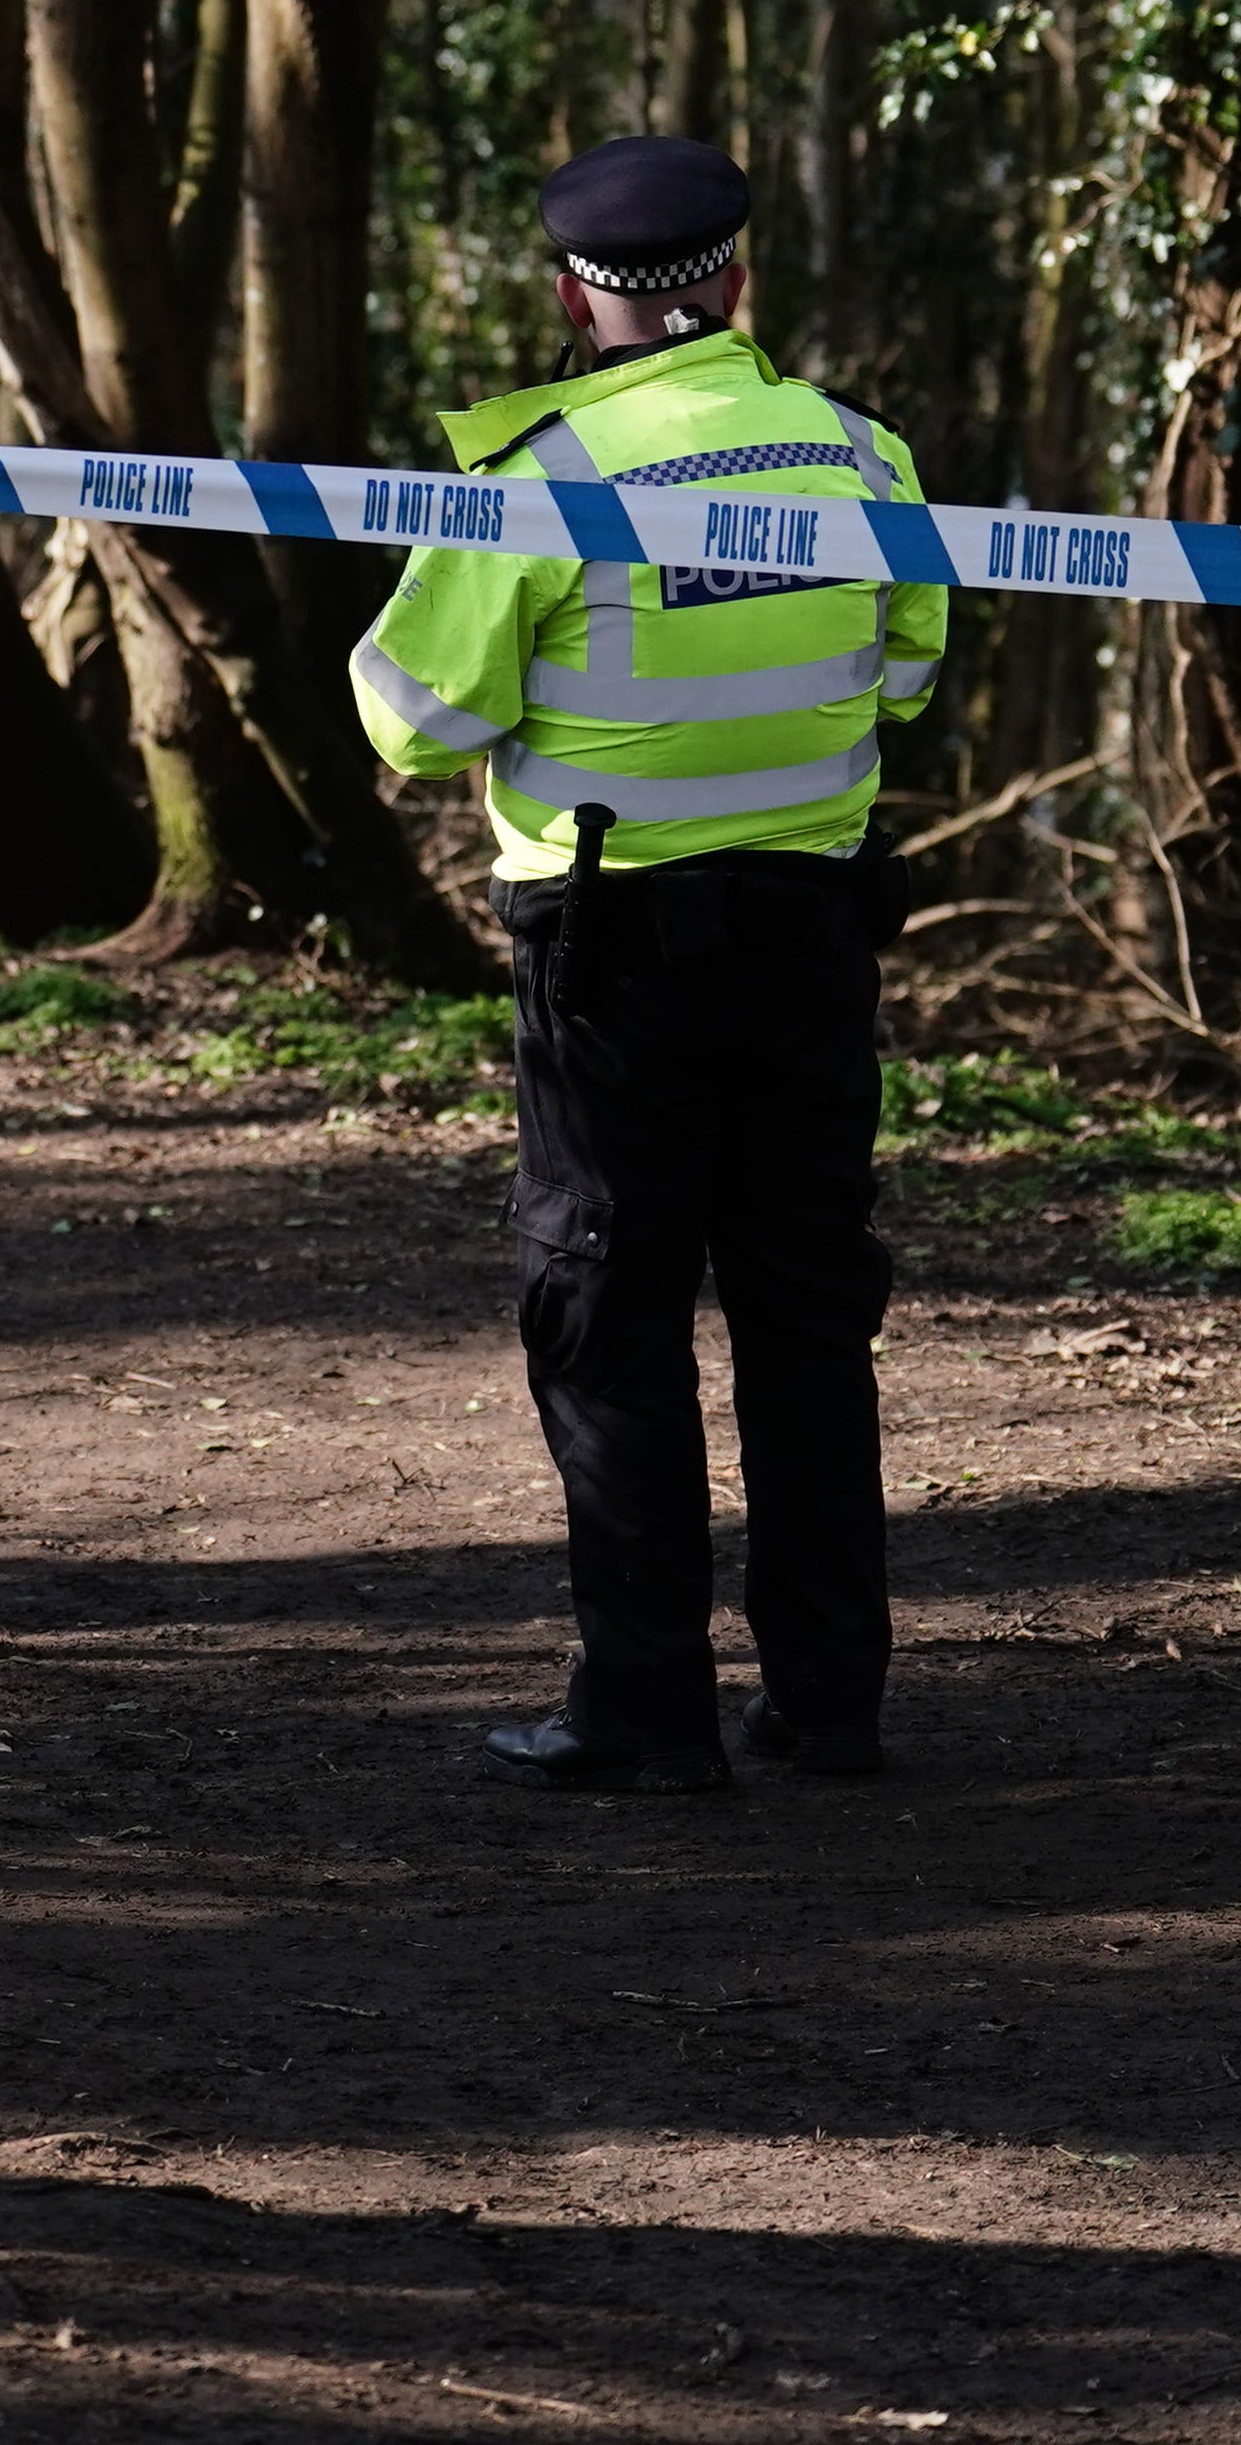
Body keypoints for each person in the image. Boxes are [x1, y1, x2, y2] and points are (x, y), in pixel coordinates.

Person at [347, 135, 946, 1792]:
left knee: (607, 1325)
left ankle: (644, 1715)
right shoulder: (857, 455)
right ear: (736, 284)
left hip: (614, 965)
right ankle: (831, 1706)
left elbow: (409, 724)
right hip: (814, 946)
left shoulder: (539, 478)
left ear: (574, 297)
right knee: (809, 1323)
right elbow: (904, 672)